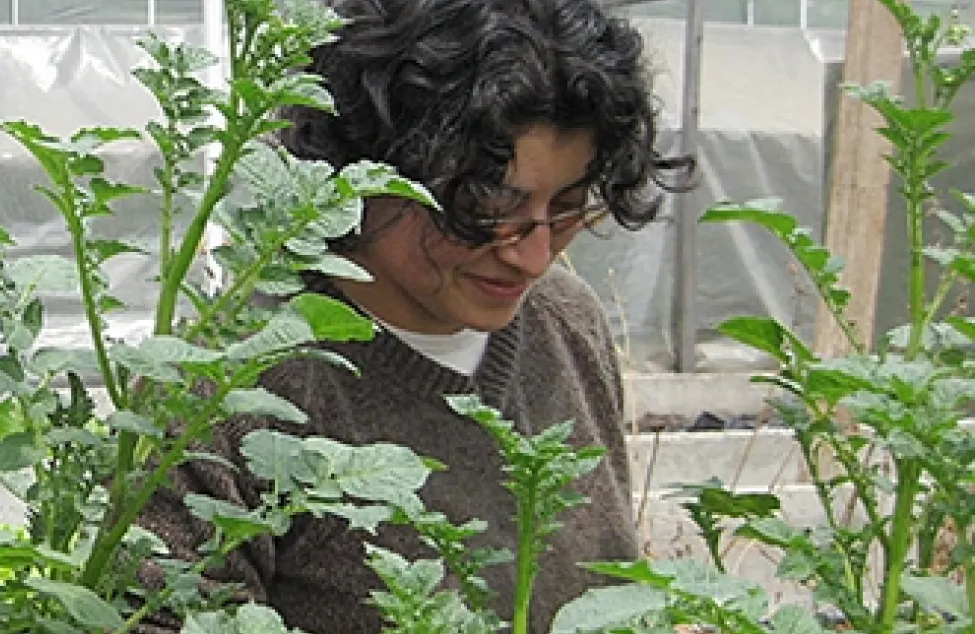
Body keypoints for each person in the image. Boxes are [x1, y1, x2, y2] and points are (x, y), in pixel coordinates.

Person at [134, 0, 692, 632]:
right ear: (368, 171)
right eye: (487, 206)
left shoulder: (568, 325)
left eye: (566, 207)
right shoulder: (228, 385)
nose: (535, 257)